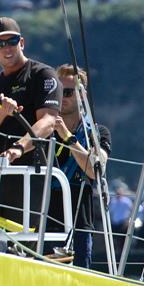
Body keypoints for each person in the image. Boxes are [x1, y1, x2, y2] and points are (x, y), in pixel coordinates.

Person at [0, 17, 62, 238]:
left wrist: (19, 147)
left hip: (29, 171)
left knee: (20, 242)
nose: (6, 48)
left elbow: (48, 122)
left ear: (22, 43)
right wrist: (0, 111)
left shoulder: (43, 75)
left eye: (12, 41)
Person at [49, 64, 111, 268]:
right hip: (40, 218)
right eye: (58, 92)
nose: (62, 97)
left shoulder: (97, 133)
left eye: (67, 92)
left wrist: (67, 136)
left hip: (78, 224)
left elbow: (95, 169)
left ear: (81, 96)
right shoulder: (43, 129)